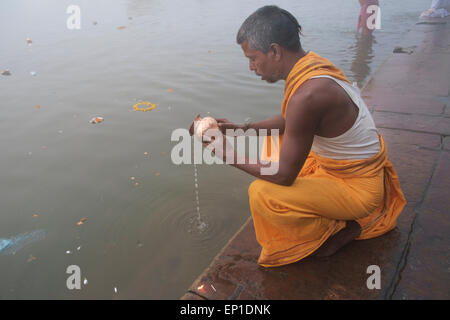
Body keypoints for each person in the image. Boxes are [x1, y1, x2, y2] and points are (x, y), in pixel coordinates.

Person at [194, 6, 406, 267]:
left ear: (274, 51)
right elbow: (290, 122)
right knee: (274, 138)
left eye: (253, 58)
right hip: (346, 168)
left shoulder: (308, 96)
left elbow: (284, 176)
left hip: (358, 189)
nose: (251, 67)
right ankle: (328, 212)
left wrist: (222, 150)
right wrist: (242, 128)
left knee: (263, 193)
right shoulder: (311, 66)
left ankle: (335, 228)